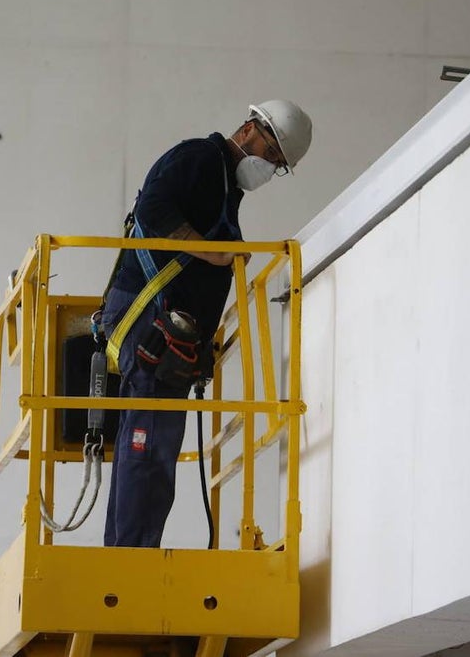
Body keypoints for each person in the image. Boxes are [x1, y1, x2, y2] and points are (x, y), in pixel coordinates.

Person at [100, 100, 313, 548]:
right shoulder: (199, 157)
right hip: (148, 321)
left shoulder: (223, 186)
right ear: (250, 128)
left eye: (278, 165)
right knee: (150, 444)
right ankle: (130, 557)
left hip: (166, 330)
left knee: (149, 444)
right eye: (271, 154)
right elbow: (153, 209)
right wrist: (215, 253)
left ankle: (125, 552)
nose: (269, 167)